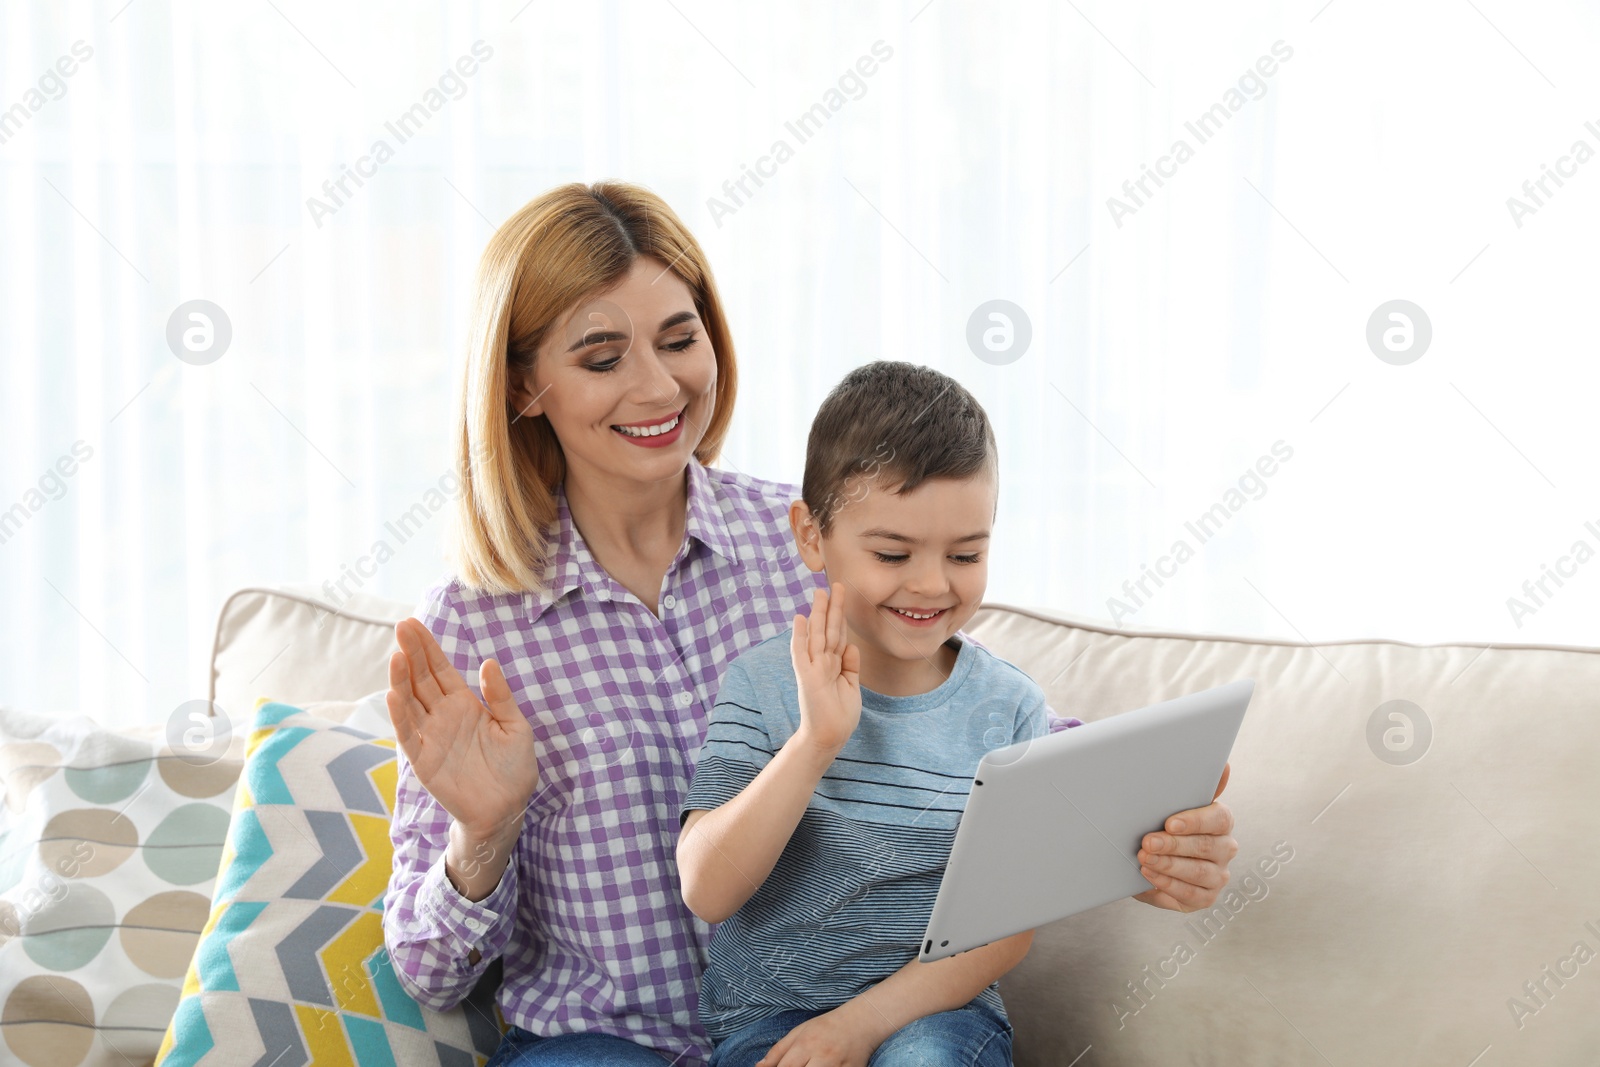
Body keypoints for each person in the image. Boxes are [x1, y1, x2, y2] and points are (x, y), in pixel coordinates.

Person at [382, 180, 1240, 1067]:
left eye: (681, 339)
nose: (658, 382)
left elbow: (983, 736)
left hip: (830, 1028)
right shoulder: (473, 626)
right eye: (603, 357)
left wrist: (1147, 830)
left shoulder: (814, 540)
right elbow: (428, 972)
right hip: (604, 1044)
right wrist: (485, 830)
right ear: (524, 384)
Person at [677, 363, 1082, 1066]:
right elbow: (707, 890)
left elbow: (1006, 929)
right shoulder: (761, 684)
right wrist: (813, 744)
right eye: (893, 552)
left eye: (966, 553)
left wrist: (859, 1026)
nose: (931, 582)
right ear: (811, 536)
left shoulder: (1010, 706)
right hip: (768, 1023)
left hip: (938, 1017)